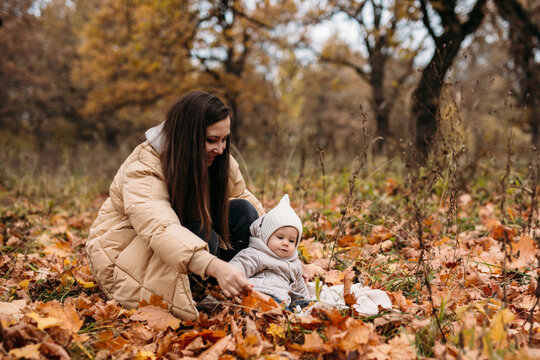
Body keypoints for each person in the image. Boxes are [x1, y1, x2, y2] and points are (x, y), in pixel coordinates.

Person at [85, 91, 264, 320]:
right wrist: (215, 265)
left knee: (243, 211)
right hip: (128, 250)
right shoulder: (144, 165)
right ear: (187, 136)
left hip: (185, 240)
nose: (219, 149)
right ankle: (208, 284)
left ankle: (229, 281)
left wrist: (290, 258)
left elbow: (249, 202)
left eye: (224, 139)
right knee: (203, 236)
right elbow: (160, 227)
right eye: (211, 140)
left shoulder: (218, 160)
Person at [229, 194, 312, 307]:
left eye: (292, 241)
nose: (286, 243)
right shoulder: (256, 254)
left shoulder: (295, 264)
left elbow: (301, 287)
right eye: (280, 237)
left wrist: (309, 302)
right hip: (257, 293)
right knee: (276, 307)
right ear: (266, 236)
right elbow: (238, 266)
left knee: (303, 305)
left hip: (282, 299)